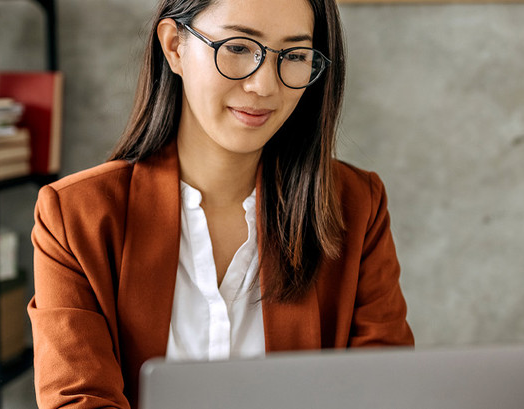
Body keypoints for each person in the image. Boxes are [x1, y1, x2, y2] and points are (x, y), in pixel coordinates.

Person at [28, 0, 415, 407]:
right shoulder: (74, 216)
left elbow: (383, 389)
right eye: (237, 47)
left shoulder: (356, 207)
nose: (264, 86)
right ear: (175, 46)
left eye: (296, 55)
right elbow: (78, 399)